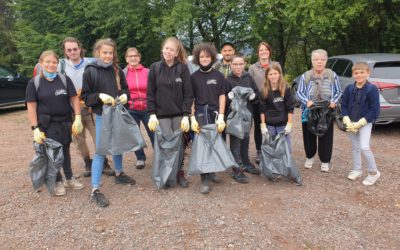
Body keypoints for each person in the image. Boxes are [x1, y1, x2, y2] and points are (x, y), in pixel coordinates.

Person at [81, 38, 135, 207]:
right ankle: (95, 189)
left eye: (110, 53)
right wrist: (99, 97)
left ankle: (119, 174)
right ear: (97, 53)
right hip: (101, 115)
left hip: (117, 112)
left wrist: (126, 95)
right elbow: (85, 97)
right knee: (101, 150)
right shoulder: (90, 70)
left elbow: (126, 89)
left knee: (118, 144)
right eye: (104, 52)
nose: (108, 55)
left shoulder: (117, 69)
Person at [26, 50, 84, 196]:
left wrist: (77, 117)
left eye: (54, 62)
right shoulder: (35, 83)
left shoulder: (64, 79)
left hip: (65, 122)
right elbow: (31, 106)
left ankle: (69, 178)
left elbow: (74, 98)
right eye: (48, 62)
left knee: (65, 151)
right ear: (41, 63)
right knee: (53, 154)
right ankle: (57, 180)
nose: (51, 65)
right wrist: (35, 128)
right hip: (47, 124)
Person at [60, 37, 114, 177]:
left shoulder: (92, 63)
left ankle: (103, 161)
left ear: (80, 48)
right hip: (72, 108)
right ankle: (87, 161)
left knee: (98, 135)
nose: (73, 52)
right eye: (69, 50)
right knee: (79, 138)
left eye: (75, 49)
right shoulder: (61, 66)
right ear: (65, 51)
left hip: (91, 106)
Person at [147, 37, 193, 188]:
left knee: (179, 145)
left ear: (176, 52)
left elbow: (188, 93)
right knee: (165, 144)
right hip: (161, 114)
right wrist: (152, 113)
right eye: (166, 48)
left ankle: (178, 173)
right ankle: (165, 174)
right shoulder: (154, 67)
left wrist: (186, 115)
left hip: (179, 114)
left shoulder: (183, 68)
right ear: (163, 49)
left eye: (171, 49)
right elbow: (150, 93)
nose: (168, 51)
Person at [297, 49, 342, 172]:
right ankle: (310, 157)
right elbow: (299, 92)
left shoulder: (332, 75)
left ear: (326, 61)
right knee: (308, 134)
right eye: (316, 59)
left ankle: (325, 160)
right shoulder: (305, 76)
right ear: (312, 61)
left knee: (326, 134)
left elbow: (338, 91)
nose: (319, 62)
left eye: (322, 59)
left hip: (326, 111)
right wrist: (307, 101)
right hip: (309, 110)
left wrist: (334, 101)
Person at [190, 43, 226, 194]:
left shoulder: (218, 75)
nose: (204, 59)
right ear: (198, 59)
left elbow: (222, 96)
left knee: (214, 144)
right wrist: (191, 118)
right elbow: (190, 98)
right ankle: (204, 180)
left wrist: (222, 116)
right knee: (203, 147)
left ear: (212, 57)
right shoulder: (193, 77)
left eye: (207, 56)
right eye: (201, 56)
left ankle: (212, 172)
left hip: (215, 114)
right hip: (200, 114)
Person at [341, 62, 380, 185]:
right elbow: (344, 104)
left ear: (368, 73)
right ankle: (357, 170)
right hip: (351, 122)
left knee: (364, 147)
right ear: (353, 75)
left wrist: (361, 122)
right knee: (355, 147)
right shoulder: (349, 88)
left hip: (365, 123)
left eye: (362, 72)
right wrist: (346, 118)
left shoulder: (372, 89)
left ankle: (373, 172)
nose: (359, 75)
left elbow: (375, 109)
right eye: (356, 73)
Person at [226, 53, 260, 183]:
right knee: (235, 141)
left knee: (245, 138)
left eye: (240, 64)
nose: (238, 66)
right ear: (231, 65)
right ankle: (235, 169)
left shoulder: (248, 77)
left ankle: (245, 162)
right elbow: (222, 98)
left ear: (244, 64)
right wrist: (228, 97)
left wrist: (254, 97)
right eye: (235, 64)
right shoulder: (227, 80)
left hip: (247, 115)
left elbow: (256, 93)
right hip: (235, 116)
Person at [123, 47, 154, 169]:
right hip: (131, 108)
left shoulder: (148, 72)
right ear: (126, 59)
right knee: (135, 135)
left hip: (147, 107)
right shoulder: (123, 73)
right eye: (130, 56)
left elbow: (154, 89)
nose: (133, 58)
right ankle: (140, 158)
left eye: (135, 55)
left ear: (139, 57)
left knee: (154, 133)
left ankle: (159, 155)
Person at [259, 62, 295, 150]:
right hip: (269, 124)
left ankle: (285, 164)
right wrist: (263, 125)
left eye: (275, 73)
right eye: (270, 74)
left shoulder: (286, 89)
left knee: (285, 148)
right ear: (267, 76)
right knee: (271, 148)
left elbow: (290, 108)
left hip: (282, 124)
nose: (273, 76)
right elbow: (262, 110)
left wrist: (289, 124)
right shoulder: (264, 91)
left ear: (279, 74)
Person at [249, 41, 273, 164]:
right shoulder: (253, 68)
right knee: (259, 127)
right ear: (258, 53)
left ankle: (271, 149)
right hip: (258, 103)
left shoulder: (276, 65)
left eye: (266, 49)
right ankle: (259, 151)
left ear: (269, 51)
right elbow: (250, 85)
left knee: (272, 125)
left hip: (273, 102)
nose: (263, 52)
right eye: (261, 50)